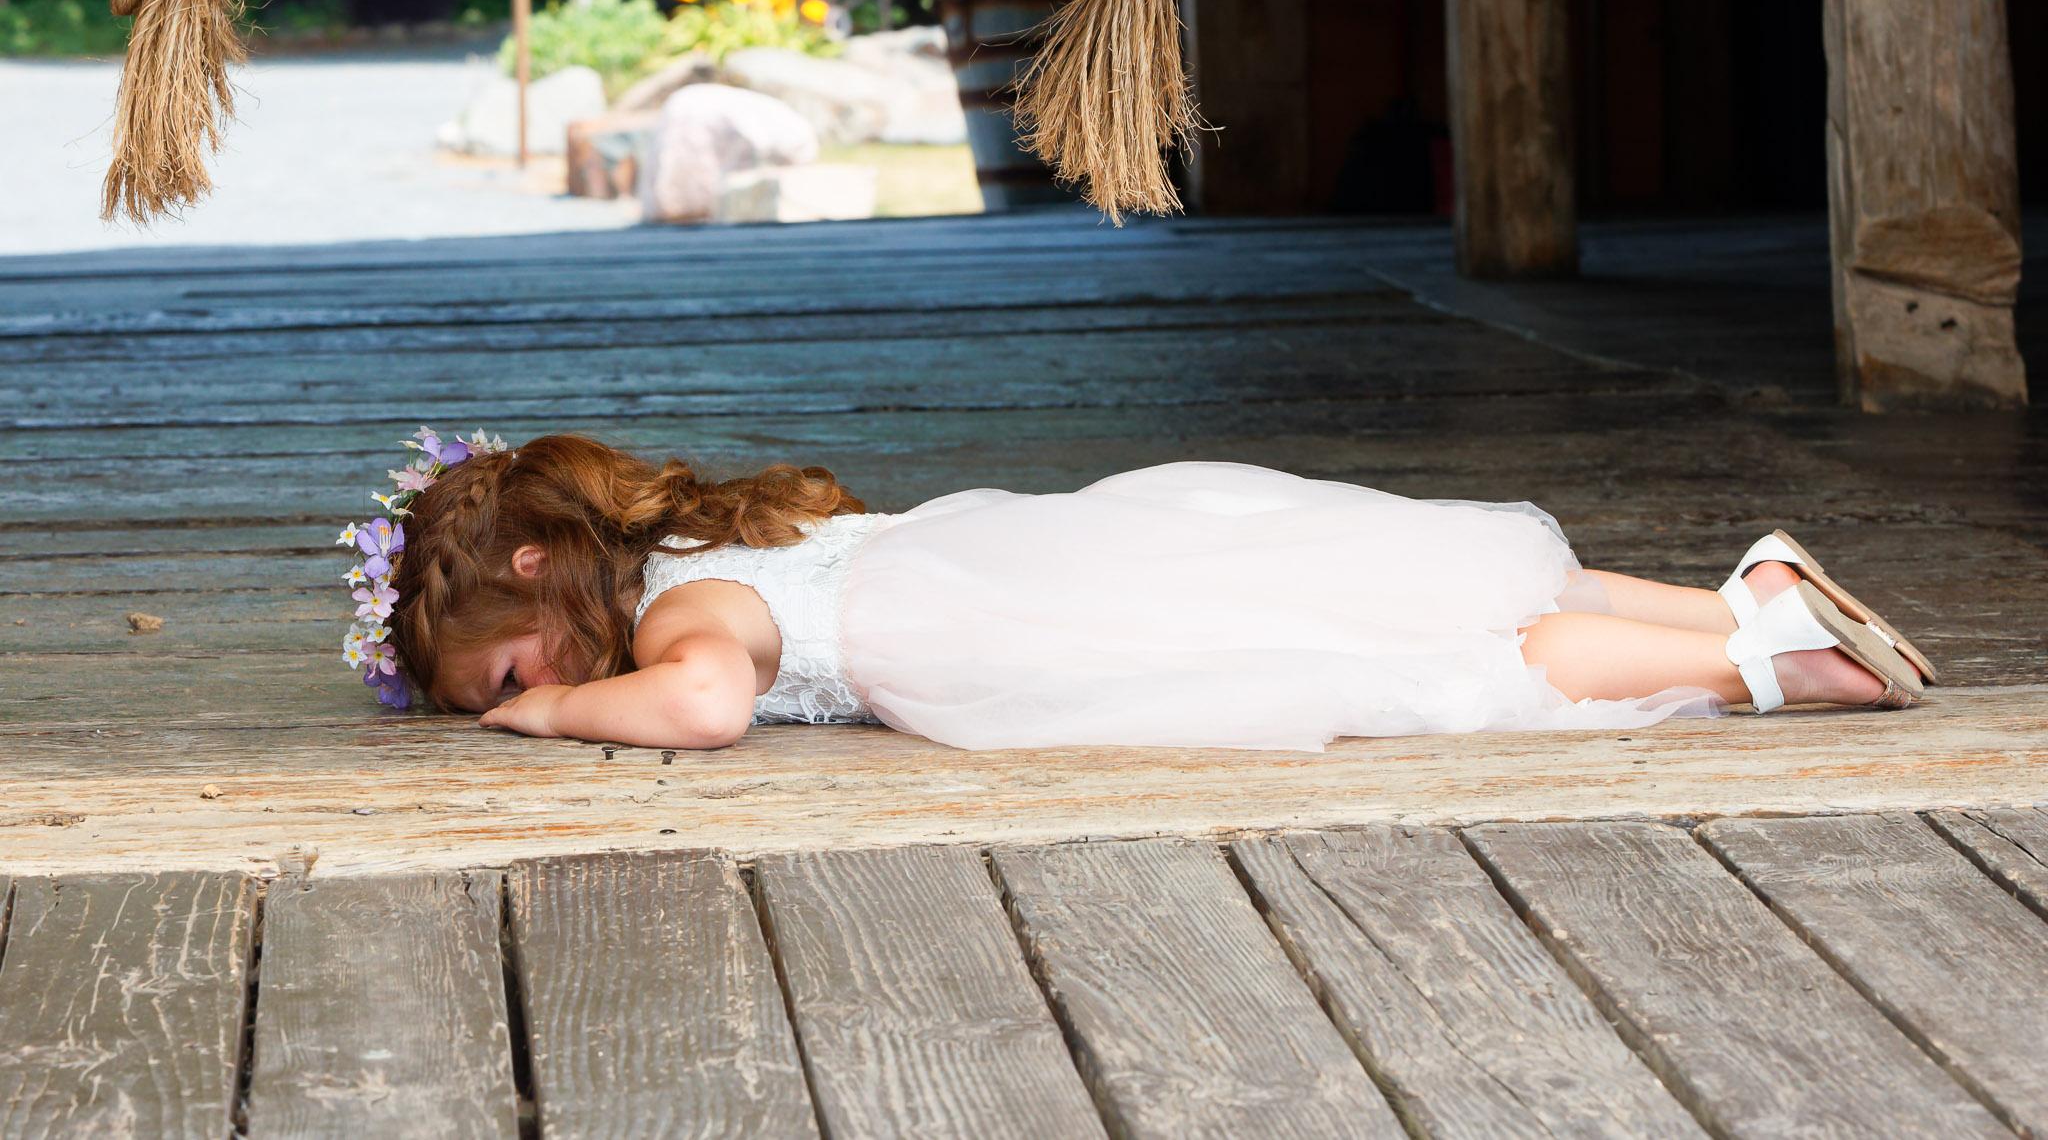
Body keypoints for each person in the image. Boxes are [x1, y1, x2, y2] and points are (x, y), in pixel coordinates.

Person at [339, 429, 1932, 754]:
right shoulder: (717, 534)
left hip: (1017, 627)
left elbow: (699, 707)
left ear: (538, 571)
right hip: (1036, 547)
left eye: (501, 664)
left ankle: (1759, 664)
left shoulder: (684, 619)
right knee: (1392, 569)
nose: (516, 688)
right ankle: (1741, 595)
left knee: (1422, 654)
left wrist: (552, 718)